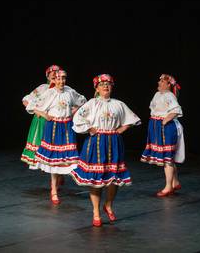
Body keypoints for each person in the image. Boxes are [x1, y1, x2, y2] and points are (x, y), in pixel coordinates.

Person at [70, 74, 141, 227]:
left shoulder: (118, 104)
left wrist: (122, 129)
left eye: (108, 84)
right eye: (102, 84)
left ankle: (108, 205)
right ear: (96, 88)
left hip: (114, 142)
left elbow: (132, 119)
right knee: (96, 179)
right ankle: (96, 212)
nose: (106, 87)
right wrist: (90, 128)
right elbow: (77, 119)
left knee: (113, 177)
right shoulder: (92, 103)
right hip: (96, 142)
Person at [26, 69, 86, 205]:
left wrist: (73, 111)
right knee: (54, 159)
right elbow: (32, 105)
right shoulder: (49, 92)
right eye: (58, 79)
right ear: (54, 80)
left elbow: (82, 100)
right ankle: (54, 190)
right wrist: (45, 115)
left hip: (67, 127)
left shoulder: (70, 92)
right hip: (53, 127)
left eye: (63, 79)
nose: (61, 81)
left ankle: (64, 179)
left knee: (68, 157)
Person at [140, 74, 185, 197]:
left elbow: (176, 110)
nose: (159, 82)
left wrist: (165, 120)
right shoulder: (158, 94)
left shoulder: (169, 95)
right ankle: (175, 182)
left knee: (167, 158)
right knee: (168, 157)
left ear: (168, 84)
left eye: (162, 81)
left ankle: (168, 186)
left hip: (166, 128)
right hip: (157, 126)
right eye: (159, 80)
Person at [21, 65, 60, 167]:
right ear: (47, 77)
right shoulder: (43, 88)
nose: (55, 75)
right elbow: (26, 100)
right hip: (42, 121)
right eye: (52, 74)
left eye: (57, 74)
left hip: (57, 122)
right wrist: (38, 112)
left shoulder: (65, 91)